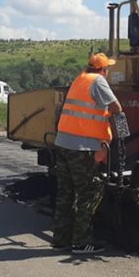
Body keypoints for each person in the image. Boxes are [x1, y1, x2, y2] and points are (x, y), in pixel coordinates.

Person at [52, 53, 122, 254]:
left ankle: (60, 239)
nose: (107, 72)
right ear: (102, 70)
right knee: (88, 193)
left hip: (63, 143)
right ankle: (81, 242)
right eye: (106, 69)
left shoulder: (80, 79)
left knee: (65, 193)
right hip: (81, 148)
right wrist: (117, 133)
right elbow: (116, 107)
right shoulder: (98, 81)